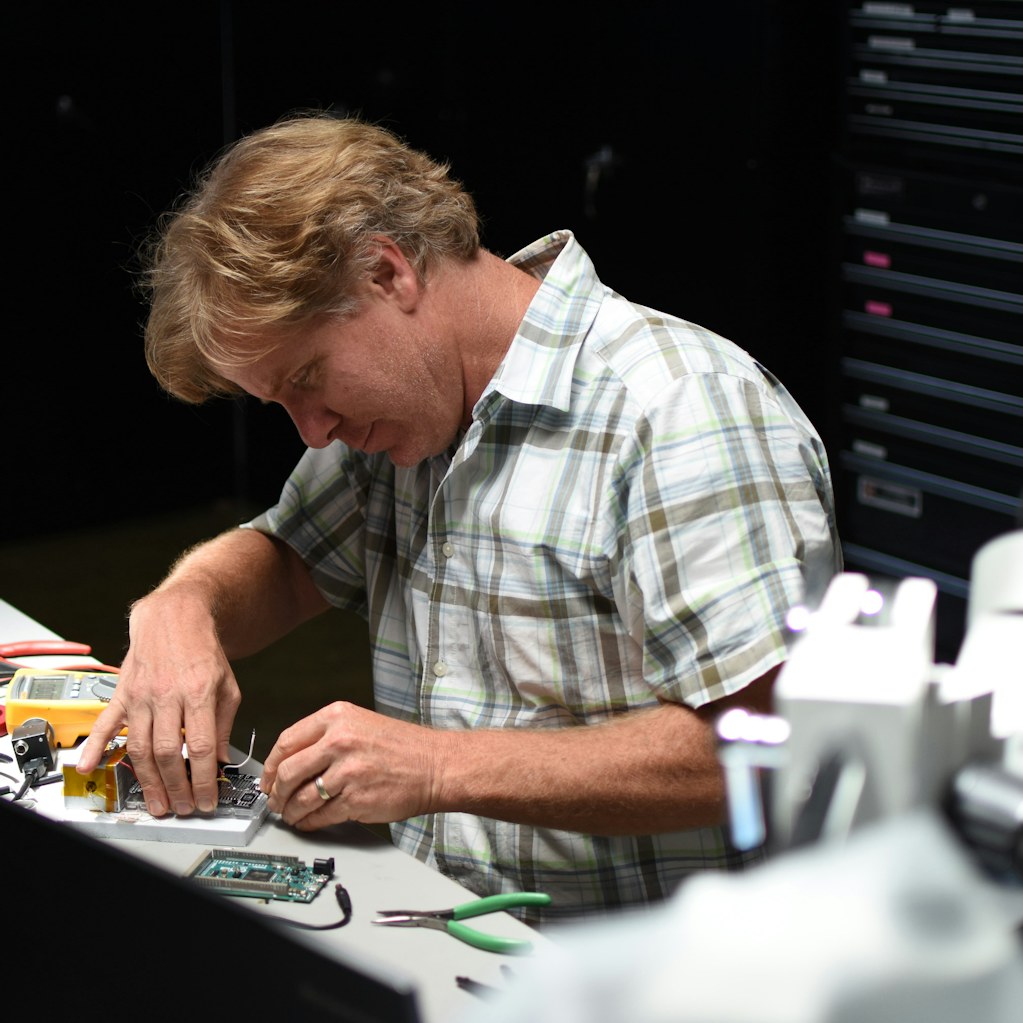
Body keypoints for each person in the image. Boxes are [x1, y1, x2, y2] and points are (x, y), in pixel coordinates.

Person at [78, 111, 841, 924]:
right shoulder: (408, 411)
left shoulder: (681, 411)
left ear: (387, 273)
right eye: (280, 403)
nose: (313, 431)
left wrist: (439, 768)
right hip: (453, 933)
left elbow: (770, 744)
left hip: (654, 966)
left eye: (306, 378)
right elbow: (289, 556)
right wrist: (183, 603)